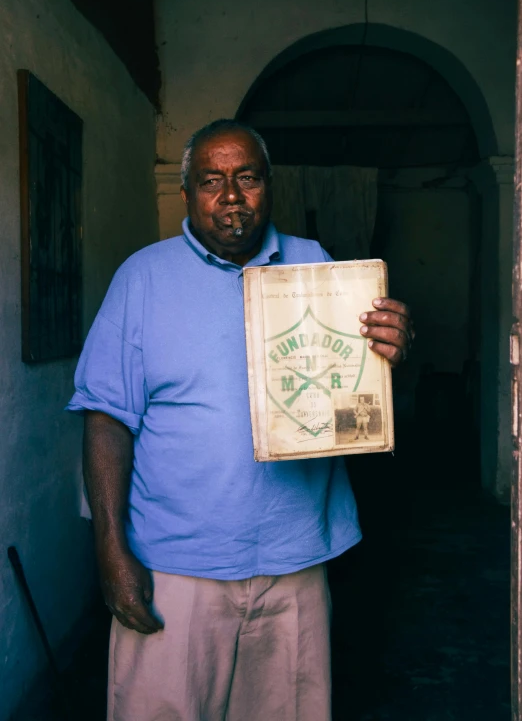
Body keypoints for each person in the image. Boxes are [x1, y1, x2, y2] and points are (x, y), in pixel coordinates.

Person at [68, 119, 414, 721]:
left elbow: (355, 386)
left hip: (295, 560)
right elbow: (105, 419)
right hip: (174, 566)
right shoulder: (142, 278)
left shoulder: (318, 267)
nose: (231, 196)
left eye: (247, 177)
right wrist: (110, 549)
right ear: (188, 195)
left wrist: (388, 349)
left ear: (269, 186)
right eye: (211, 181)